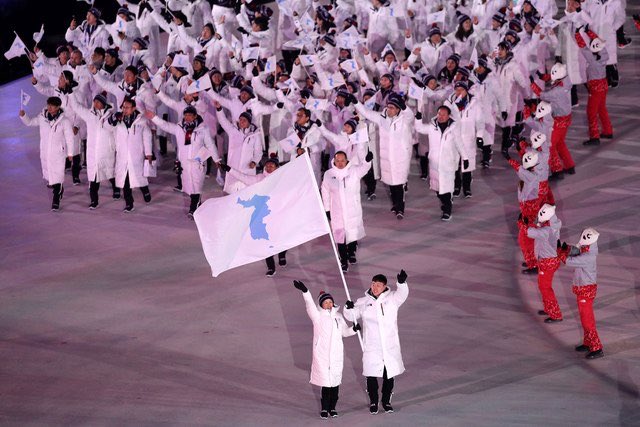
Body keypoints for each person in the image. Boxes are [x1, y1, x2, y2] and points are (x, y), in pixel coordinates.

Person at [344, 269, 409, 415]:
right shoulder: (363, 301)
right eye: (373, 284)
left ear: (385, 286)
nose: (374, 287)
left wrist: (401, 283)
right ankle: (373, 401)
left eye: (378, 285)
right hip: (372, 346)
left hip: (389, 345)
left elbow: (402, 294)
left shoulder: (392, 299)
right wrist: (348, 308)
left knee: (388, 374)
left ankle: (386, 402)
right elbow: (351, 316)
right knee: (371, 374)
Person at [292, 281, 358, 419]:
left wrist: (353, 329)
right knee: (325, 384)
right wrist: (305, 291)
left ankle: (333, 408)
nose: (328, 304)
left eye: (330, 302)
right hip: (322, 355)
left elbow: (344, 333)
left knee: (335, 384)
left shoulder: (338, 317)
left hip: (336, 355)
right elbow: (310, 305)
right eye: (325, 302)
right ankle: (324, 409)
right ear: (321, 304)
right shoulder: (317, 317)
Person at [146, 106, 220, 219]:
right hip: (184, 164)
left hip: (197, 163)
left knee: (196, 186)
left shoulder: (202, 129)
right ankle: (197, 204)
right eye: (186, 115)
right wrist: (154, 117)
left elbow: (210, 145)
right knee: (190, 187)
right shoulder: (179, 128)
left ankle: (193, 208)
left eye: (190, 115)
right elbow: (165, 125)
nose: (187, 117)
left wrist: (217, 159)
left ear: (195, 116)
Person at [219, 158, 287, 277]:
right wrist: (230, 169)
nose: (269, 167)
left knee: (282, 237)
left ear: (277, 168)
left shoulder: (282, 178)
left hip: (279, 213)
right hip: (264, 214)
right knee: (265, 241)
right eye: (267, 165)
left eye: (272, 165)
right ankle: (271, 267)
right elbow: (243, 177)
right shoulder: (259, 179)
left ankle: (282, 254)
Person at [354, 95, 414, 219]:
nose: (389, 109)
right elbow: (366, 112)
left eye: (392, 108)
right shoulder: (382, 118)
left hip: (400, 157)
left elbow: (410, 115)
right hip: (387, 157)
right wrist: (355, 102)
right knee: (391, 184)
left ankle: (400, 208)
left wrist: (404, 107)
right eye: (388, 107)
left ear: (398, 109)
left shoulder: (404, 119)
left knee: (399, 184)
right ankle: (395, 204)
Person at [321, 150, 374, 272]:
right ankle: (343, 261)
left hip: (352, 210)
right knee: (340, 237)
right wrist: (327, 209)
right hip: (337, 212)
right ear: (334, 161)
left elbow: (364, 168)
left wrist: (367, 161)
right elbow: (325, 192)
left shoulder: (354, 170)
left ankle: (352, 253)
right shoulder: (329, 174)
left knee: (352, 233)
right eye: (337, 161)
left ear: (347, 161)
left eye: (342, 160)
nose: (340, 163)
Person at [19, 97, 74, 211]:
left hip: (58, 153)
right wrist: (24, 116)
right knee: (50, 176)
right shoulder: (42, 117)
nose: (49, 107)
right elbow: (30, 122)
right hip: (46, 152)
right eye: (48, 105)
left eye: (52, 105)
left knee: (58, 176)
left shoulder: (65, 121)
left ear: (58, 107)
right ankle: (58, 189)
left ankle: (56, 200)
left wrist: (70, 153)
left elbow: (70, 138)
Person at [414, 105, 467, 221]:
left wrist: (465, 158)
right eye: (439, 114)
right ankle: (445, 201)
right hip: (434, 164)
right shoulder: (432, 127)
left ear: (448, 116)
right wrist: (417, 119)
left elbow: (459, 143)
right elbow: (419, 128)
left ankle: (447, 210)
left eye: (443, 115)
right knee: (438, 189)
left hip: (448, 164)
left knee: (446, 188)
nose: (441, 117)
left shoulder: (453, 128)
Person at [559, 228, 604, 359]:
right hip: (583, 289)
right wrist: (566, 248)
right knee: (584, 318)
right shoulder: (587, 250)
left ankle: (597, 348)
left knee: (587, 320)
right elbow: (576, 250)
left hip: (586, 291)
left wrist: (560, 252)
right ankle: (588, 342)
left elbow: (569, 261)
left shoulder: (588, 257)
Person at [68, 93, 119, 209]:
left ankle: (116, 189)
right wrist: (71, 93)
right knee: (93, 178)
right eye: (94, 101)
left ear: (103, 104)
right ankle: (94, 200)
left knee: (110, 173)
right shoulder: (89, 114)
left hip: (106, 151)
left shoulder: (110, 116)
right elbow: (76, 107)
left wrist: (116, 147)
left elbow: (116, 133)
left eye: (98, 102)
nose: (95, 104)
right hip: (93, 152)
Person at [108, 97, 153, 213]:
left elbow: (147, 137)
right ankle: (129, 203)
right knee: (125, 181)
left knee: (139, 178)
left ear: (133, 108)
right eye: (123, 107)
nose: (124, 110)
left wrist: (148, 153)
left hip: (136, 155)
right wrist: (114, 118)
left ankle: (145, 190)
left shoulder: (141, 121)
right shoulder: (118, 120)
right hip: (122, 156)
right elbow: (108, 127)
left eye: (127, 108)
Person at [575, 29, 613, 146]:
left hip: (595, 87)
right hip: (603, 84)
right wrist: (588, 31)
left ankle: (594, 137)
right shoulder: (604, 53)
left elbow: (582, 46)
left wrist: (577, 34)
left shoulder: (591, 58)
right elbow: (598, 41)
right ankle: (607, 131)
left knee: (591, 112)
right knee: (602, 108)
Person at [527, 204, 563, 323]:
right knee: (544, 286)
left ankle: (555, 314)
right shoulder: (552, 223)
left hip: (547, 261)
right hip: (549, 259)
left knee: (545, 287)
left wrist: (526, 224)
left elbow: (531, 232)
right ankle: (549, 308)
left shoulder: (547, 229)